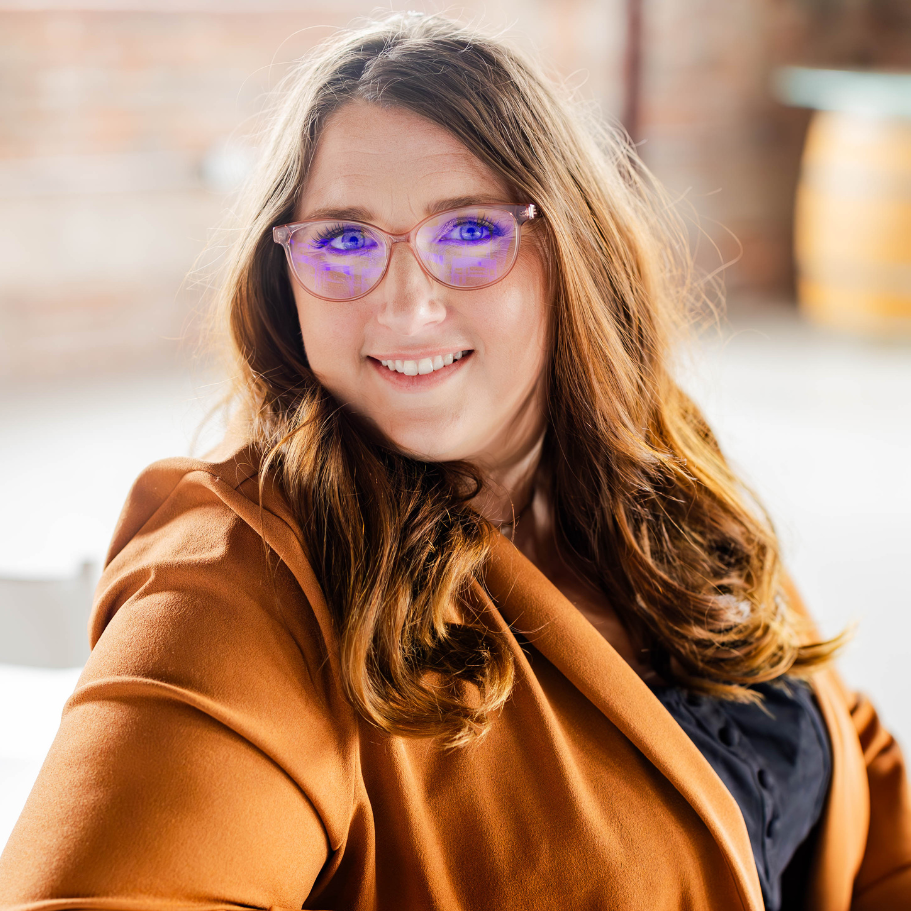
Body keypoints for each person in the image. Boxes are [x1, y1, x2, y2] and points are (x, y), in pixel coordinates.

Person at [1, 12, 909, 911]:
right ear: (285, 279)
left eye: (470, 232)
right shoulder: (241, 577)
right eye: (344, 240)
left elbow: (851, 767)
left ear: (573, 249)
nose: (405, 307)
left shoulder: (661, 468)